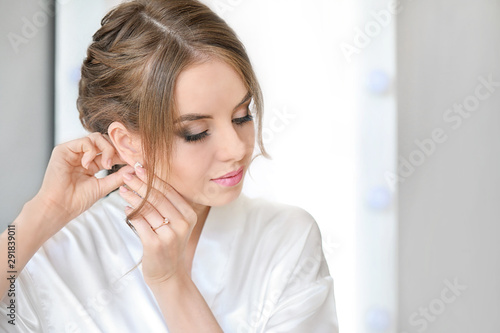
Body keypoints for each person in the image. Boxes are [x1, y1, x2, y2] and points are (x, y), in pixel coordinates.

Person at [0, 0, 339, 331]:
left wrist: (172, 282)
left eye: (242, 115)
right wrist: (41, 213)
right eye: (197, 132)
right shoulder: (53, 255)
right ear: (127, 142)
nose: (236, 149)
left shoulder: (286, 240)